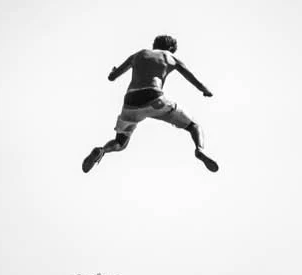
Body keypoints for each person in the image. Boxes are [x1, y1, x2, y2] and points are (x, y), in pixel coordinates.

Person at [82, 34, 218, 174]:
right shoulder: (169, 56)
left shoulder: (138, 54)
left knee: (120, 143)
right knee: (193, 126)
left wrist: (113, 72)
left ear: (154, 45)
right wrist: (206, 91)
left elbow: (112, 77)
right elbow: (194, 80)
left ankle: (102, 150)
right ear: (171, 48)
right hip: (154, 98)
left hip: (131, 102)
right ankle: (199, 150)